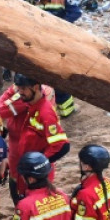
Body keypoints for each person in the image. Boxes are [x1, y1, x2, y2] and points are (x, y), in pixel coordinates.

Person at [5, 74, 70, 204]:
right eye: (18, 88)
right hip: (27, 168)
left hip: (35, 174)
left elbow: (62, 145)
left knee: (33, 204)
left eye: (23, 89)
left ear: (35, 87)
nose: (20, 92)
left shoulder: (45, 113)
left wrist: (40, 163)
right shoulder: (31, 106)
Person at [30, 0, 82, 117]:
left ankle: (66, 109)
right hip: (43, 39)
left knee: (59, 73)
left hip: (61, 40)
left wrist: (59, 25)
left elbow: (76, 12)